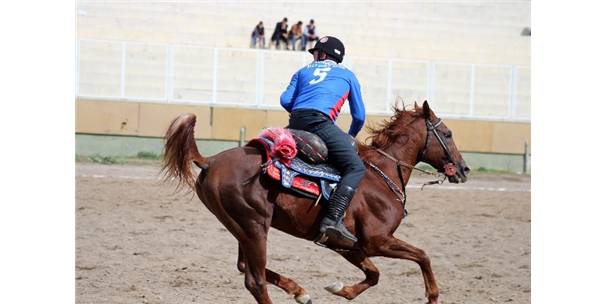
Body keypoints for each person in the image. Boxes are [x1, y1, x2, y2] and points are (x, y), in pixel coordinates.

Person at [280, 36, 366, 244]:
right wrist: (350, 137)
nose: (314, 57)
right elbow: (359, 116)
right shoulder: (349, 76)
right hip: (320, 123)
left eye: (315, 53)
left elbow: (285, 100)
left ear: (323, 54)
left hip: (295, 121)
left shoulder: (302, 71)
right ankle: (332, 219)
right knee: (356, 168)